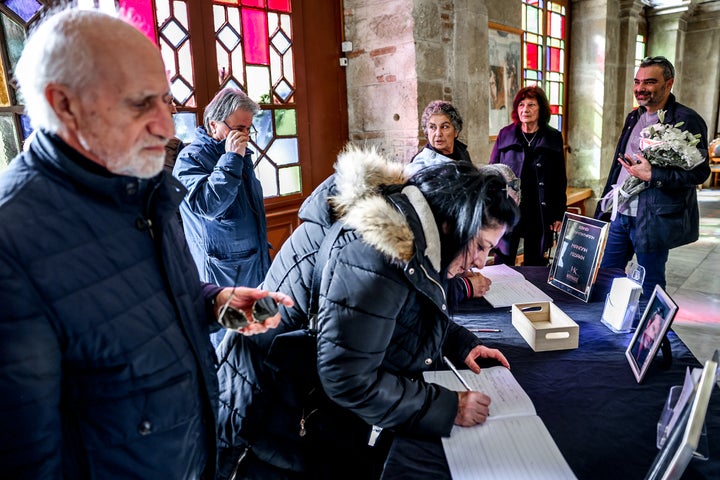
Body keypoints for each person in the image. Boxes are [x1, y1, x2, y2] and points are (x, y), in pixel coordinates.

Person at [0, 8, 291, 479]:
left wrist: (212, 300)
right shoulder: (12, 242)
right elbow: (26, 454)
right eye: (140, 104)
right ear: (64, 104)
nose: (167, 126)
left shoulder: (142, 184)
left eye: (166, 102)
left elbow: (142, 292)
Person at [214, 145, 520, 479]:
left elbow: (404, 306)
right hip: (272, 414)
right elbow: (347, 378)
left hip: (305, 403)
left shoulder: (410, 229)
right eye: (480, 246)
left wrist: (458, 342)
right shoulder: (374, 249)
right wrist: (447, 407)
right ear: (451, 224)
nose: (479, 262)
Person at [594, 56, 709, 299]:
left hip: (653, 219)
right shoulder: (634, 116)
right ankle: (607, 333)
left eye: (649, 82)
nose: (640, 88)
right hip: (621, 213)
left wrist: (654, 174)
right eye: (637, 82)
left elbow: (700, 172)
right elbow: (619, 166)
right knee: (605, 278)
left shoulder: (687, 120)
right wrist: (604, 205)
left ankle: (653, 337)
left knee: (649, 285)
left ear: (669, 84)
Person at [173, 88, 271, 346]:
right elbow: (208, 205)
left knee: (254, 337)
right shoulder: (191, 158)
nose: (246, 136)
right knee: (227, 342)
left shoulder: (239, 154)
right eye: (239, 127)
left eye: (249, 129)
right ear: (214, 123)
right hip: (222, 271)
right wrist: (230, 159)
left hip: (253, 262)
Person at [490, 85, 567, 266]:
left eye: (531, 105)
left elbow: (559, 179)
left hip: (539, 208)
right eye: (521, 105)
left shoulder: (553, 137)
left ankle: (532, 292)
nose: (526, 110)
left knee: (536, 259)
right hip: (510, 207)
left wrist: (558, 213)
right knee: (503, 257)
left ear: (541, 109)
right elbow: (493, 173)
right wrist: (493, 207)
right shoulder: (505, 134)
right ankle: (501, 292)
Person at [405, 100, 471, 177]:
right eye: (432, 127)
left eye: (444, 127)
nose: (438, 133)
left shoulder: (462, 152)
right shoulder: (420, 166)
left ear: (456, 131)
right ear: (427, 132)